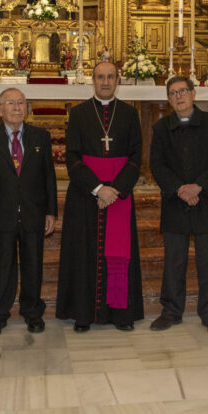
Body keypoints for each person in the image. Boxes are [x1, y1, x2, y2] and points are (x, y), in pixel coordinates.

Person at [56, 60, 144, 332]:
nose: (105, 82)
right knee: (83, 252)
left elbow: (136, 157)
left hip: (119, 195)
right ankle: (83, 314)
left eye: (110, 77)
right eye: (100, 77)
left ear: (118, 80)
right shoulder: (79, 113)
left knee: (119, 254)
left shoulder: (130, 114)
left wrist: (114, 190)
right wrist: (98, 188)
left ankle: (120, 314)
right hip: (86, 194)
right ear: (92, 80)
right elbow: (72, 157)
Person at [149, 77, 208, 336]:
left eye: (183, 91)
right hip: (176, 202)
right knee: (174, 260)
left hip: (206, 200)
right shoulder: (162, 127)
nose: (178, 96)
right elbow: (156, 164)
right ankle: (171, 311)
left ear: (194, 94)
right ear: (169, 99)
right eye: (173, 93)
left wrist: (198, 187)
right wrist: (179, 189)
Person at [0, 88, 57, 337]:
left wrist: (51, 212)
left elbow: (49, 177)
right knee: (2, 266)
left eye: (21, 102)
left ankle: (32, 313)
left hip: (34, 213)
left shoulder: (40, 136)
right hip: (1, 213)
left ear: (27, 108)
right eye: (10, 103)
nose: (16, 107)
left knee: (33, 264)